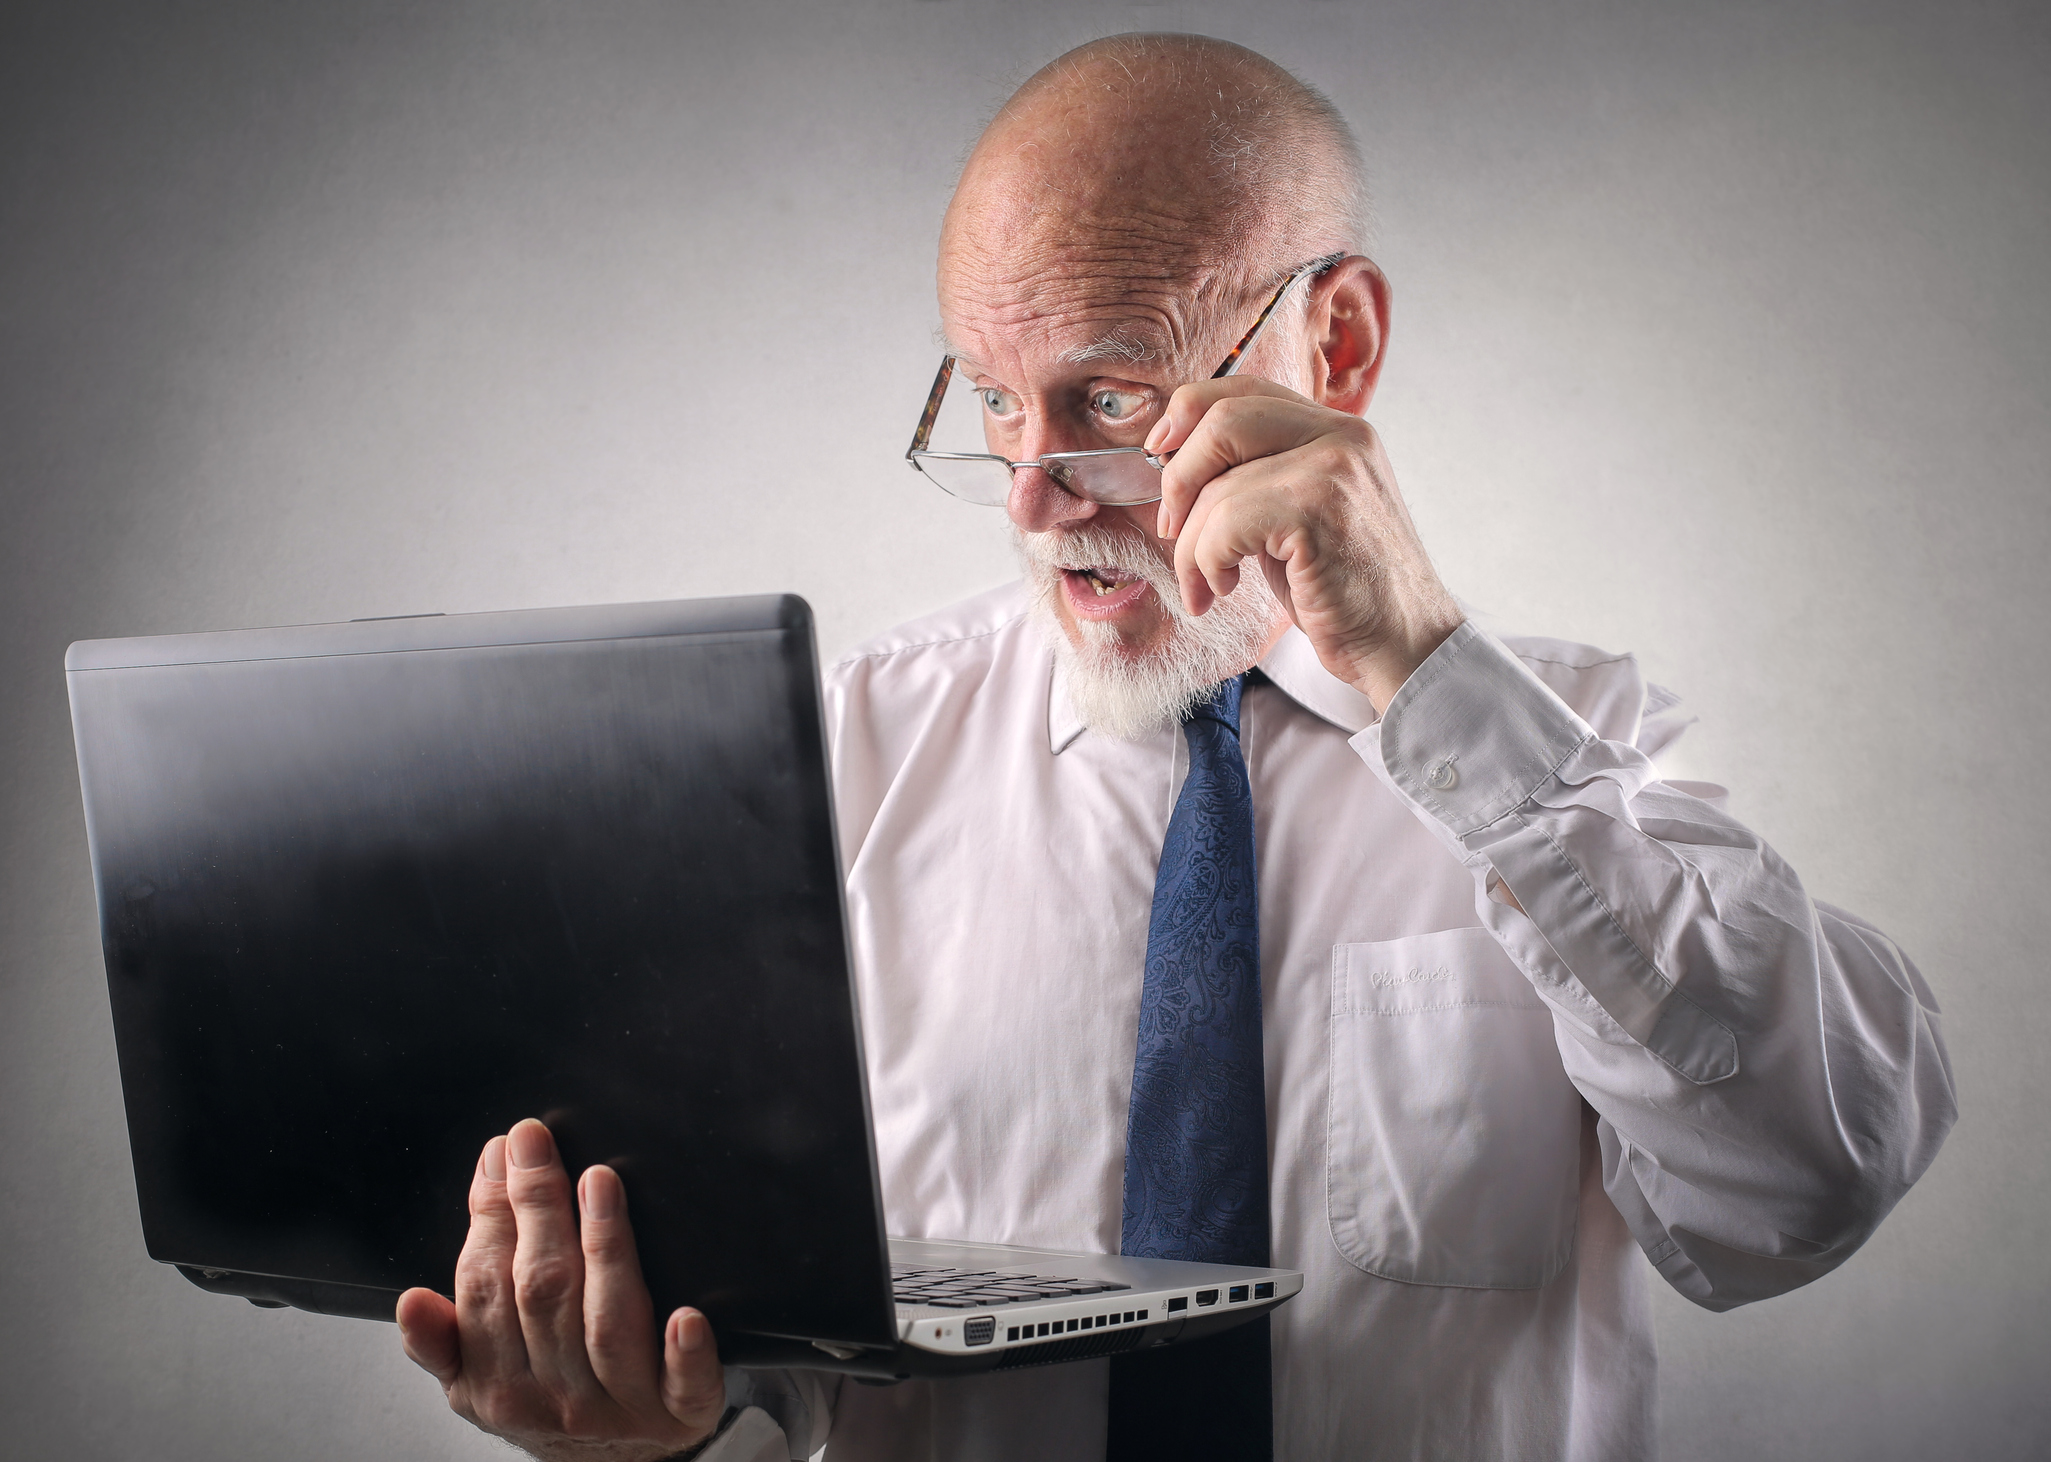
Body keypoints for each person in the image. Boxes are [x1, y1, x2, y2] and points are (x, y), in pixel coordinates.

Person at [394, 33, 1956, 1462]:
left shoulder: (1580, 749)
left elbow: (1810, 1185)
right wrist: (656, 1418)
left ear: (1333, 346)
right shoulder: (838, 766)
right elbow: (770, 1363)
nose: (1031, 496)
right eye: (995, 401)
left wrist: (1428, 674)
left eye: (1109, 393)